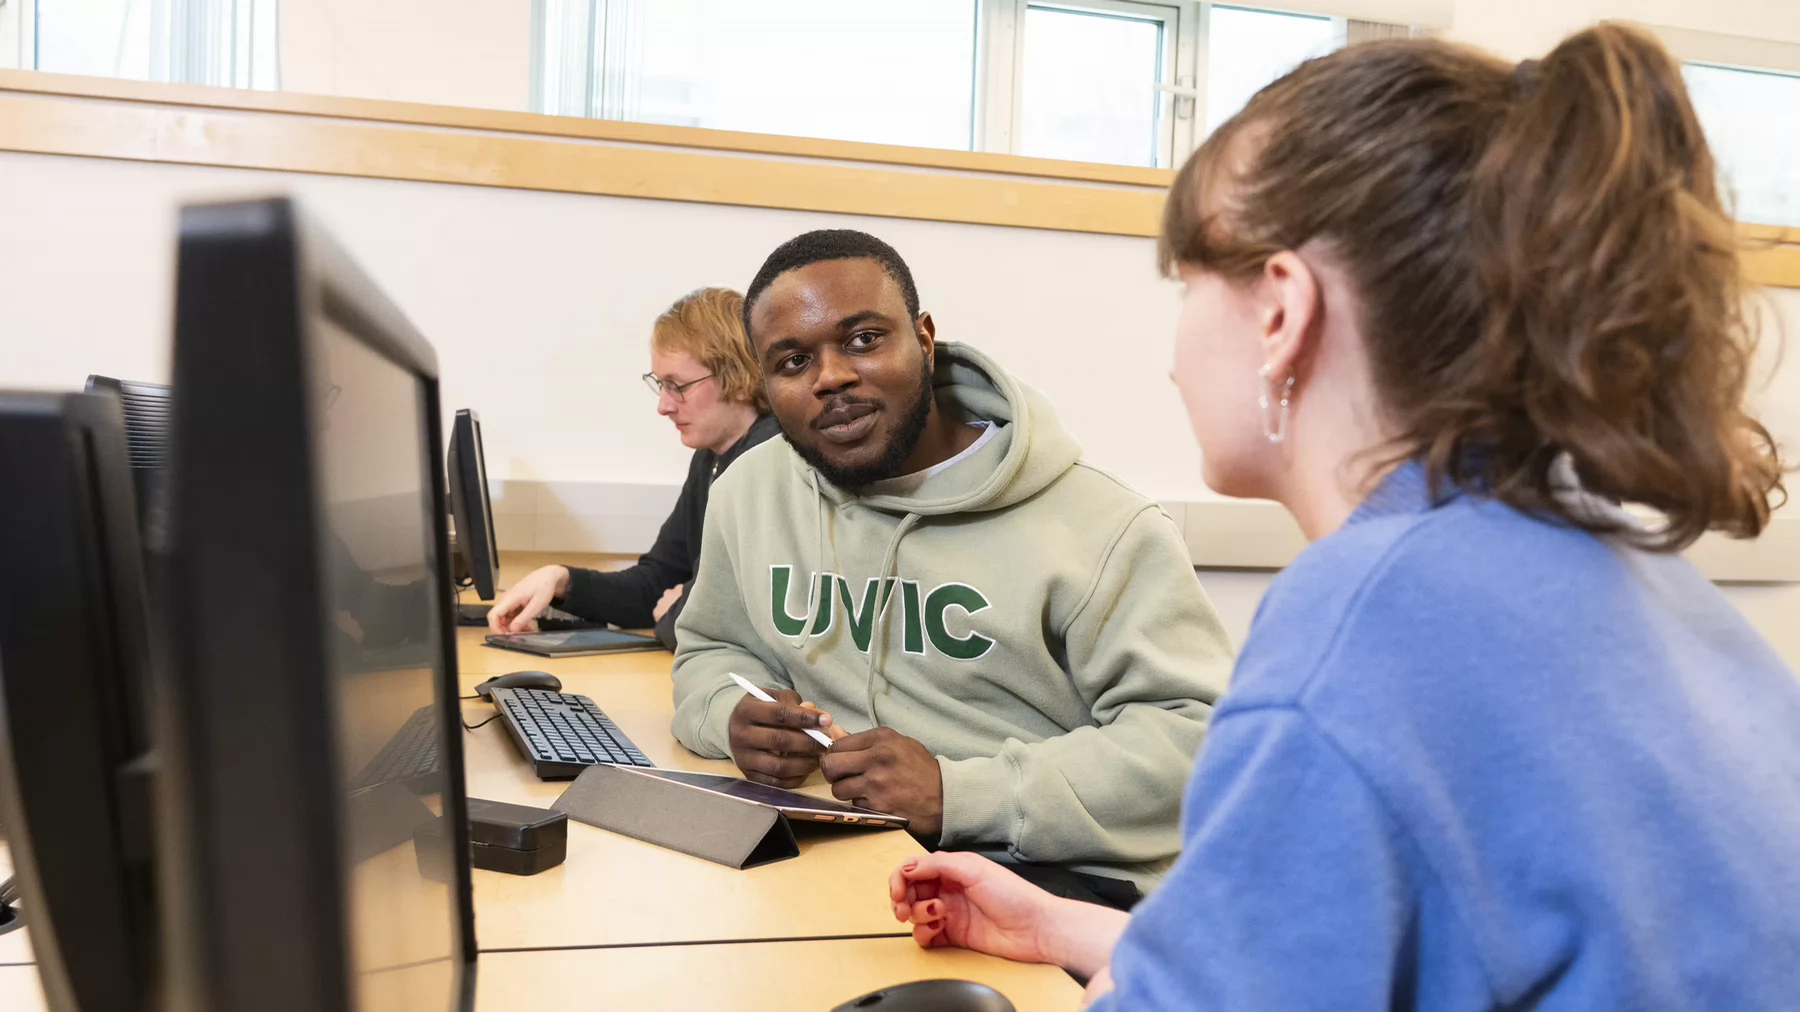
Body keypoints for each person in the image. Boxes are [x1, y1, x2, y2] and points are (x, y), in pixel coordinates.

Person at [887, 24, 1800, 1008]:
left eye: (1188, 283)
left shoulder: (1369, 614)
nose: (1175, 344)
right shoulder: (1629, 573)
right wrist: (1086, 930)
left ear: (1281, 311)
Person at [669, 229, 1234, 905]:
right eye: (792, 362)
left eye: (864, 339)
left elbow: (1196, 744)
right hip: (846, 858)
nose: (832, 378)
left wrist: (956, 793)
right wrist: (734, 713)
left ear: (925, 340)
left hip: (1055, 883)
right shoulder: (749, 491)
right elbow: (714, 647)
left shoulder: (1104, 528)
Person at [488, 288, 780, 650]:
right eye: (660, 385)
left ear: (736, 374)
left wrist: (680, 611)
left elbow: (717, 623)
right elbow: (656, 585)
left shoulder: (769, 461)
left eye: (677, 386)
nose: (663, 406)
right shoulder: (711, 458)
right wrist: (563, 580)